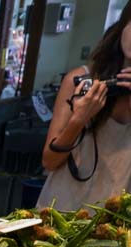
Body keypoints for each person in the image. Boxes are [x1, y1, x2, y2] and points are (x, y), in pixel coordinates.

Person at [37, 1, 131, 210]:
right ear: (122, 26)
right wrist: (78, 119)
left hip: (113, 223)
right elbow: (49, 162)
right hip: (61, 213)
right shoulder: (80, 80)